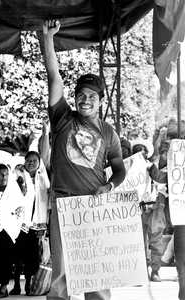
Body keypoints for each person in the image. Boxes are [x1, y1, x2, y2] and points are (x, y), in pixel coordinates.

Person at [43, 20, 126, 300]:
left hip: (93, 205)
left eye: (91, 96)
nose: (85, 100)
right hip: (63, 203)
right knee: (61, 277)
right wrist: (48, 40)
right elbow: (54, 76)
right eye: (80, 95)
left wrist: (110, 187)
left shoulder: (109, 133)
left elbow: (119, 170)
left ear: (101, 101)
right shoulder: (63, 118)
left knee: (96, 275)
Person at [10, 151, 50, 296]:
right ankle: (15, 286)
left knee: (32, 256)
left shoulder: (43, 177)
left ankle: (28, 284)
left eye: (34, 160)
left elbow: (47, 196)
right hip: (20, 222)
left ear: (39, 163)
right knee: (16, 253)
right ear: (25, 161)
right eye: (29, 160)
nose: (31, 163)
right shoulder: (19, 174)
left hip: (37, 223)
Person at [0, 163, 25, 298]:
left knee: (5, 259)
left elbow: (20, 211)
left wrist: (8, 221)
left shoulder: (14, 192)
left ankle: (3, 288)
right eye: (0, 174)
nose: (3, 177)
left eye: (6, 174)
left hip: (8, 230)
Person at [132, 142, 168, 282]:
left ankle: (155, 270)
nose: (141, 155)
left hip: (156, 205)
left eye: (143, 152)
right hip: (137, 206)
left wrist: (151, 168)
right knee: (138, 239)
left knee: (156, 238)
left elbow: (162, 178)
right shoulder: (130, 169)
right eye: (137, 153)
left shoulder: (156, 165)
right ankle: (141, 272)